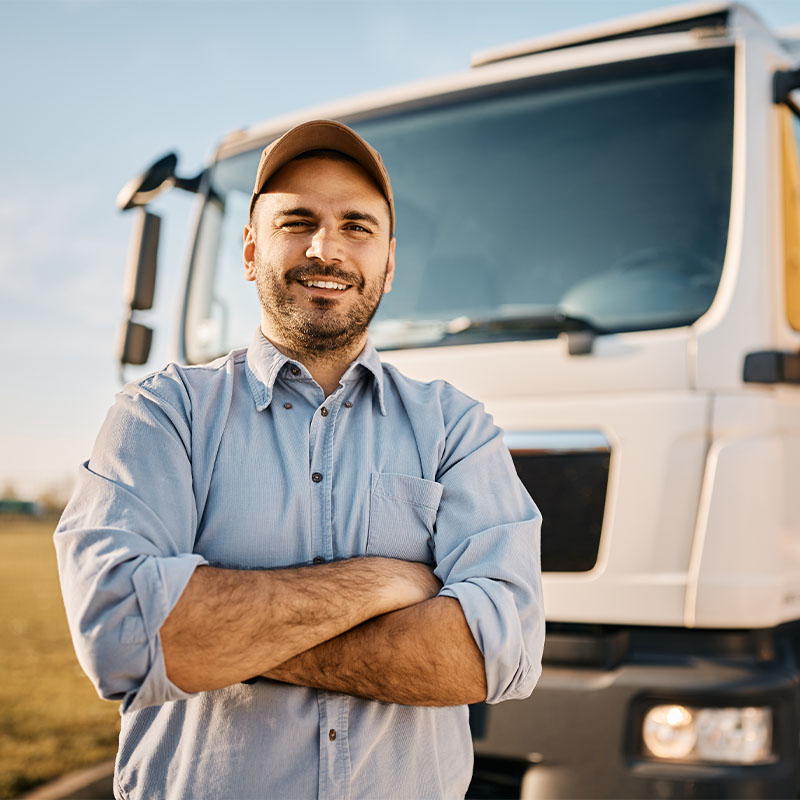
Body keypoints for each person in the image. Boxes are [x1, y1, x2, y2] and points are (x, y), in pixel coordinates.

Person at [55, 119, 544, 800]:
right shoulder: (161, 416)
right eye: (298, 221)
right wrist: (379, 584)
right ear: (252, 251)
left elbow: (497, 654)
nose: (326, 248)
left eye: (356, 226)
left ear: (390, 263)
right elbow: (123, 639)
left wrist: (224, 643)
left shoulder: (455, 429)